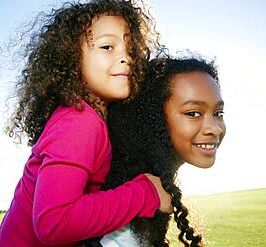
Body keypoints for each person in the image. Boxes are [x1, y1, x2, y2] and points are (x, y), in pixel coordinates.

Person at [0, 1, 173, 246]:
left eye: (131, 49)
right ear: (71, 59)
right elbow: (54, 222)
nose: (126, 58)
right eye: (108, 46)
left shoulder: (88, 118)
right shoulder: (79, 122)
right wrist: (144, 194)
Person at [95, 55, 227, 246]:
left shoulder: (153, 184)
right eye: (193, 113)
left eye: (218, 113)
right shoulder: (124, 230)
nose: (215, 128)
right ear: (154, 121)